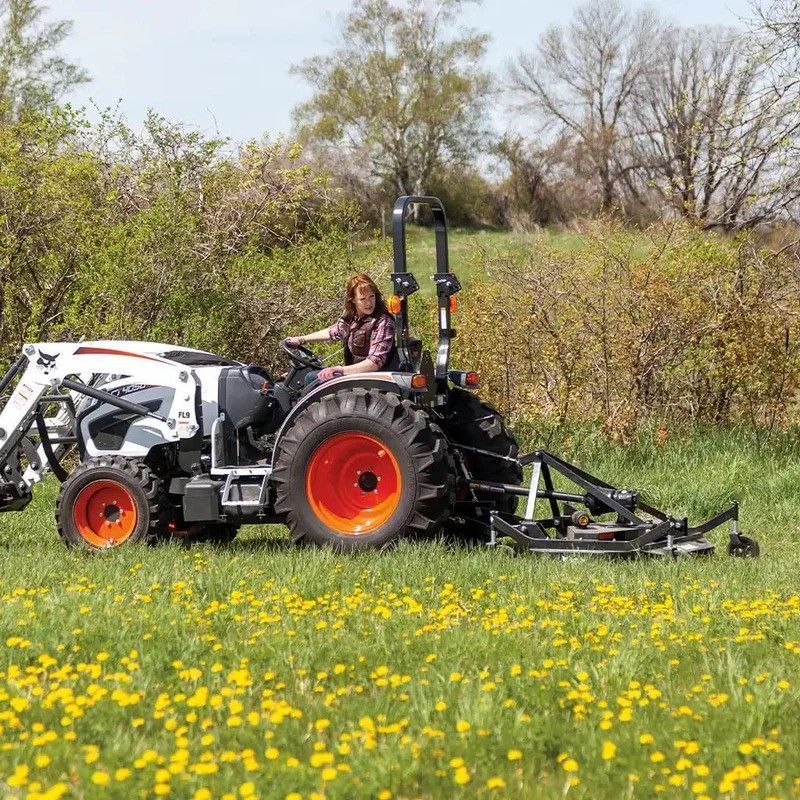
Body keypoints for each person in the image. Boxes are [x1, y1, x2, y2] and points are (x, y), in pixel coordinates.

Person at [284, 273, 396, 382]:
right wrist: (301, 339)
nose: (369, 303)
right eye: (363, 299)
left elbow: (375, 363)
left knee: (310, 378)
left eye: (372, 296)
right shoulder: (352, 318)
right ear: (353, 300)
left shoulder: (383, 321)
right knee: (308, 374)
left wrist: (340, 370)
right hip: (356, 375)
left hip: (369, 379)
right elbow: (333, 332)